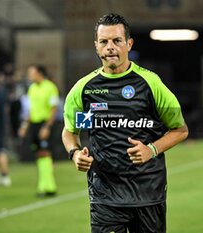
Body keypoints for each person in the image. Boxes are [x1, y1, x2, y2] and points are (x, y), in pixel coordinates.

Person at [61, 13, 188, 233]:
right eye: (104, 41)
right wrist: (74, 153)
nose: (110, 47)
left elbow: (180, 130)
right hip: (105, 195)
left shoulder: (150, 83)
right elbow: (70, 131)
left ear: (128, 44)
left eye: (116, 41)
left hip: (148, 193)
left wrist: (151, 149)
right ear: (96, 46)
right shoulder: (84, 89)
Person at [18, 65, 59, 197]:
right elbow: (30, 110)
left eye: (32, 73)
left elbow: (54, 109)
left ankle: (47, 186)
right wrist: (24, 126)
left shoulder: (50, 87)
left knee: (45, 154)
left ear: (39, 73)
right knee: (39, 155)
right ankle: (45, 185)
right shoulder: (32, 88)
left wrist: (47, 127)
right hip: (34, 124)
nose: (30, 76)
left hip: (45, 123)